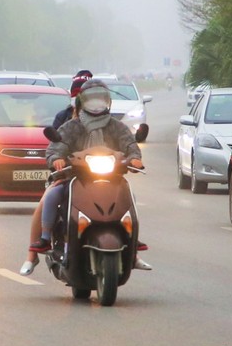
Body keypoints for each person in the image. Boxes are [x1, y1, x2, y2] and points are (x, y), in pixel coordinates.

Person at [21, 79, 148, 276]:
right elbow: (56, 147)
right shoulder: (72, 126)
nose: (96, 103)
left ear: (108, 101)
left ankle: (132, 243)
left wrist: (134, 159)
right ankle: (44, 239)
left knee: (129, 196)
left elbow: (130, 145)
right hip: (73, 177)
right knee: (52, 196)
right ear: (82, 101)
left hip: (111, 178)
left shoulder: (117, 126)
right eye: (92, 99)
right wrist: (57, 159)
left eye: (100, 98)